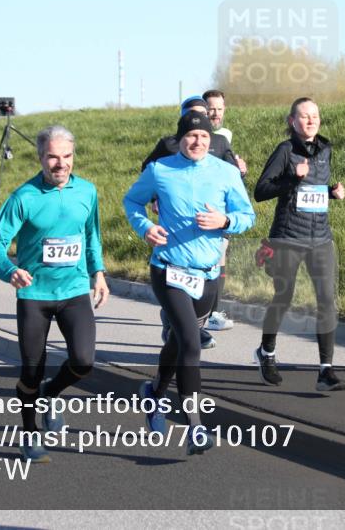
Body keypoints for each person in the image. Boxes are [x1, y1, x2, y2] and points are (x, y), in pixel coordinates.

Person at [124, 111, 255, 455]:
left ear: (211, 141)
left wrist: (225, 219)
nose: (197, 142)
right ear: (180, 138)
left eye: (204, 138)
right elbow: (132, 201)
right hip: (168, 270)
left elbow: (248, 216)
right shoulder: (160, 169)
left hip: (208, 274)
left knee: (180, 343)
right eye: (191, 136)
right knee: (192, 343)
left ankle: (154, 393)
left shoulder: (225, 172)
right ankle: (196, 427)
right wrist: (144, 227)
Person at [0, 124, 110, 462]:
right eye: (53, 157)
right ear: (41, 157)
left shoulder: (87, 192)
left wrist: (98, 272)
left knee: (83, 361)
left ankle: (50, 393)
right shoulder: (24, 197)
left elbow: (92, 236)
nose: (60, 164)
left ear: (73, 157)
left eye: (66, 156)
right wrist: (9, 271)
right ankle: (29, 434)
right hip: (34, 295)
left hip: (73, 291)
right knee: (30, 370)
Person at [253, 97, 345, 391]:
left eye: (315, 116)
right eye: (304, 117)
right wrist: (292, 178)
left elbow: (313, 190)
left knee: (327, 300)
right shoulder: (285, 151)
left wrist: (331, 192)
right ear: (292, 121)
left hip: (320, 237)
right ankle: (266, 352)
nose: (311, 121)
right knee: (284, 295)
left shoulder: (325, 150)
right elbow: (261, 190)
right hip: (288, 237)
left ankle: (326, 371)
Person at [142, 95, 244, 345]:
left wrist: (226, 216)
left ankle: (200, 320)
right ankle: (178, 322)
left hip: (213, 222)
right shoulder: (168, 145)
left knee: (214, 265)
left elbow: (234, 177)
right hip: (176, 233)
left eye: (204, 113)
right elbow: (148, 171)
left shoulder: (219, 141)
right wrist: (156, 198)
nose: (198, 122)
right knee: (177, 279)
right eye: (191, 115)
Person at [203, 88, 248, 332]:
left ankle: (213, 312)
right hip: (199, 208)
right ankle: (193, 311)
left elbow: (230, 169)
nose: (216, 113)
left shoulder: (224, 137)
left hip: (221, 209)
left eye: (220, 109)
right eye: (211, 108)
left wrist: (240, 168)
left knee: (219, 258)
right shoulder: (192, 136)